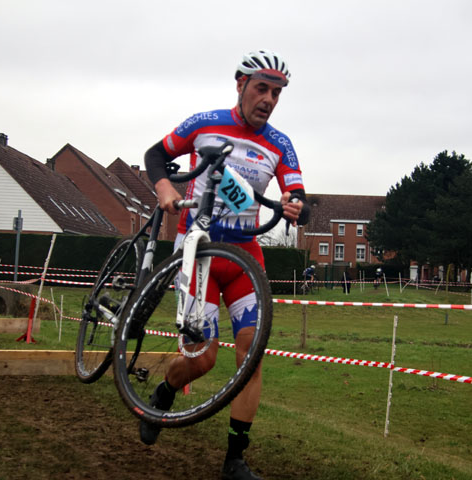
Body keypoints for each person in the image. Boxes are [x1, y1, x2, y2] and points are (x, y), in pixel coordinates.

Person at [141, 49, 309, 480]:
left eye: (276, 93)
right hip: (198, 251)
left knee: (251, 356)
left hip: (244, 258)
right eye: (261, 89)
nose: (269, 99)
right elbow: (156, 154)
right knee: (203, 360)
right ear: (240, 85)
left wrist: (295, 207)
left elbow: (299, 199)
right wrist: (163, 188)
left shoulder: (280, 144)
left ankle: (235, 459)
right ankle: (165, 389)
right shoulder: (204, 123)